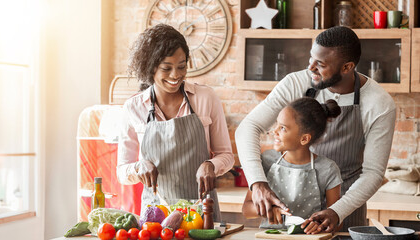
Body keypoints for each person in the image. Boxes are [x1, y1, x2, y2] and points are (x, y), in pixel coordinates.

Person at [236, 26, 396, 232]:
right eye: (311, 58)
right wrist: (257, 183)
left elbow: (373, 173)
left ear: (347, 67)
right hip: (296, 207)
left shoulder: (379, 103)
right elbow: (248, 127)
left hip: (345, 210)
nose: (310, 68)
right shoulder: (296, 83)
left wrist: (337, 210)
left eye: (320, 64)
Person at [116, 24, 234, 220]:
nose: (175, 75)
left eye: (182, 66)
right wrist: (139, 167)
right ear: (150, 67)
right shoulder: (134, 107)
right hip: (156, 215)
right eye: (166, 68)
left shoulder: (205, 98)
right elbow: (122, 171)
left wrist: (211, 165)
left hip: (201, 212)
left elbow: (226, 155)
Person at [242, 97, 343, 234]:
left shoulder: (328, 169)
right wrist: (269, 210)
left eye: (282, 128)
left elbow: (336, 222)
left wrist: (319, 226)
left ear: (304, 139)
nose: (274, 131)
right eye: (276, 124)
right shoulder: (266, 160)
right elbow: (247, 209)